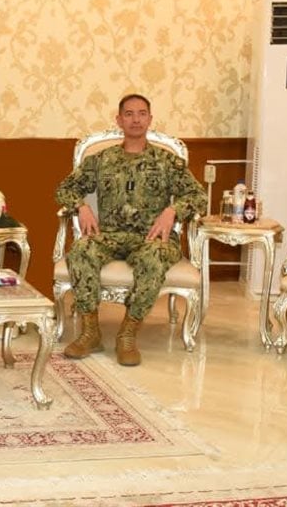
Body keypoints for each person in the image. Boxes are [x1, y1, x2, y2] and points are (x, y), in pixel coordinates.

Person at [56, 94, 206, 366]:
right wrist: (81, 206)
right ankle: (91, 332)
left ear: (150, 119)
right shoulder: (102, 159)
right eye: (129, 114)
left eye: (141, 113)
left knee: (153, 258)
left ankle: (127, 334)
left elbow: (198, 197)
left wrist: (172, 211)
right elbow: (64, 189)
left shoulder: (167, 161)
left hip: (153, 238)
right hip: (109, 235)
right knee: (80, 250)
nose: (136, 119)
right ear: (119, 120)